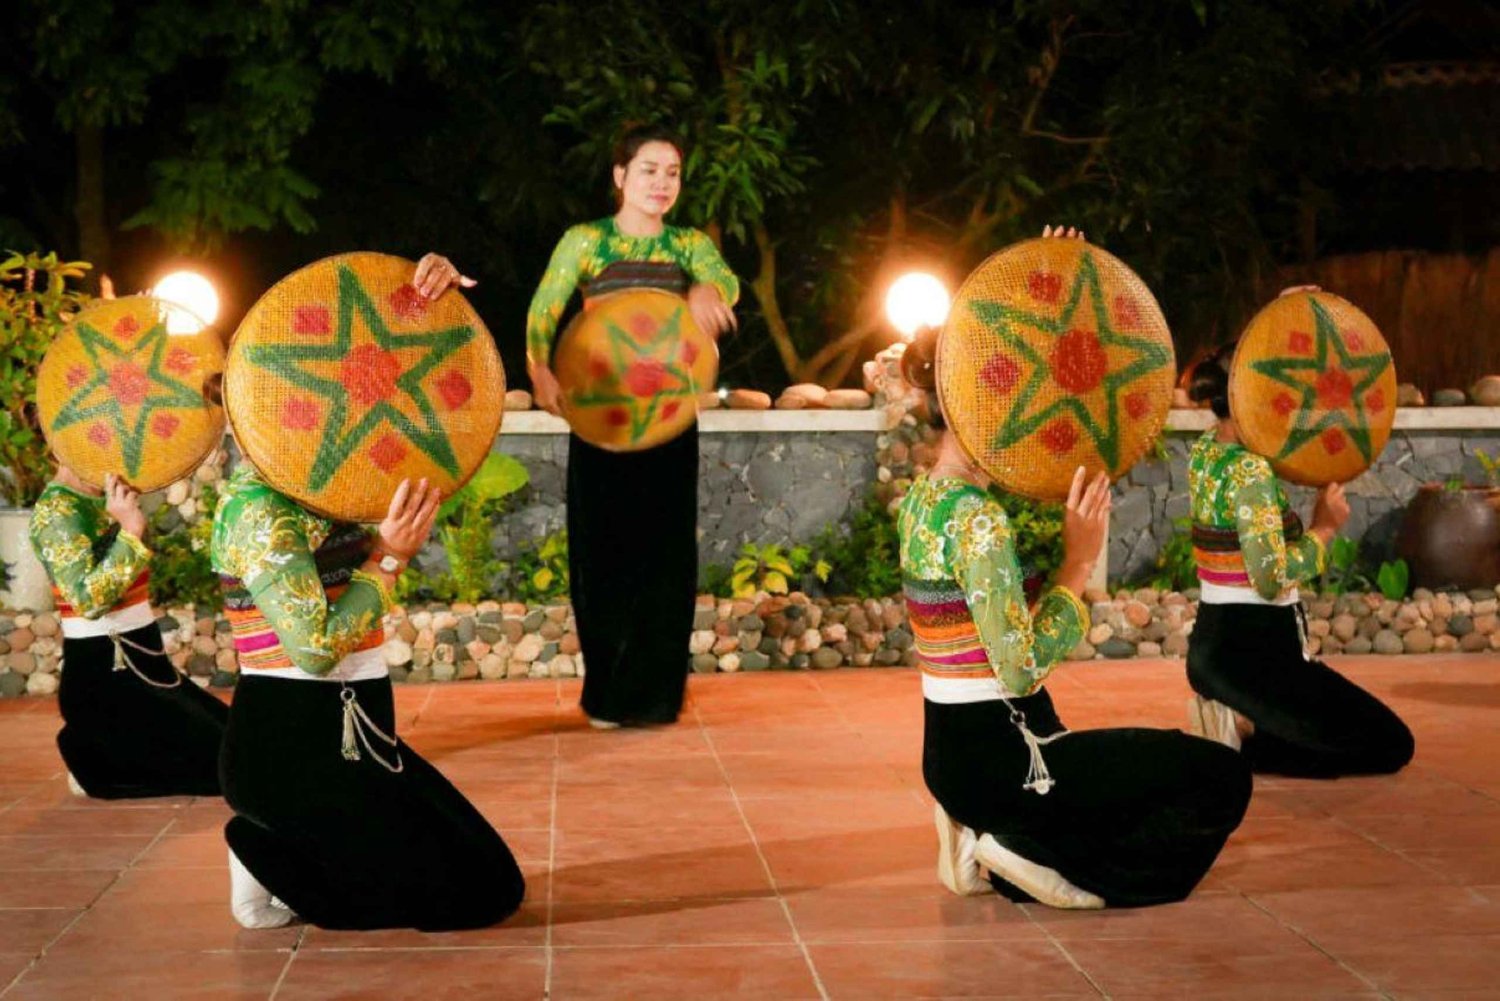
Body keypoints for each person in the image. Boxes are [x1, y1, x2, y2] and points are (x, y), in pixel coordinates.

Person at [899, 226, 1252, 909]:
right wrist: (1078, 561)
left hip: (953, 757)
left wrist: (1053, 273)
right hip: (1010, 765)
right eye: (1013, 387)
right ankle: (1021, 847)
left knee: (1124, 775)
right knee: (1218, 778)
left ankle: (984, 835)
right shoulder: (976, 518)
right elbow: (1020, 668)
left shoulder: (924, 500)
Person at [213, 253, 525, 931]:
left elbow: (429, 390)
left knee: (492, 883)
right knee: (447, 901)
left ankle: (300, 847)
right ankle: (260, 843)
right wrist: (389, 560)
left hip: (358, 733)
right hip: (290, 749)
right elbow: (315, 649)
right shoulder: (258, 509)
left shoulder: (337, 478)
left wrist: (425, 301)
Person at [525, 124, 739, 728]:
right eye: (649, 170)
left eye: (672, 173)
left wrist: (707, 288)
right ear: (620, 176)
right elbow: (544, 310)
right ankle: (608, 695)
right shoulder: (586, 241)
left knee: (666, 557)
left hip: (670, 418)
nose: (661, 183)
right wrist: (539, 370)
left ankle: (657, 695)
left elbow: (726, 281)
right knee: (603, 554)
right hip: (602, 417)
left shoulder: (688, 244)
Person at [1184, 321, 1414, 776]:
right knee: (1390, 746)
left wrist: (1293, 312)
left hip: (1218, 647)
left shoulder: (1207, 450)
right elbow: (1269, 578)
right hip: (1252, 657)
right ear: (1252, 398)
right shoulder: (1250, 470)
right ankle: (1235, 740)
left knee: (1330, 731)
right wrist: (1323, 529)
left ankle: (1237, 724)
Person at [29, 466, 228, 798]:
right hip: (108, 681)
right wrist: (130, 530)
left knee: (242, 746)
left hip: (145, 665)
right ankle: (93, 756)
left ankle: (100, 753)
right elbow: (88, 601)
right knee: (234, 768)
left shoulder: (100, 496)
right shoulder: (56, 511)